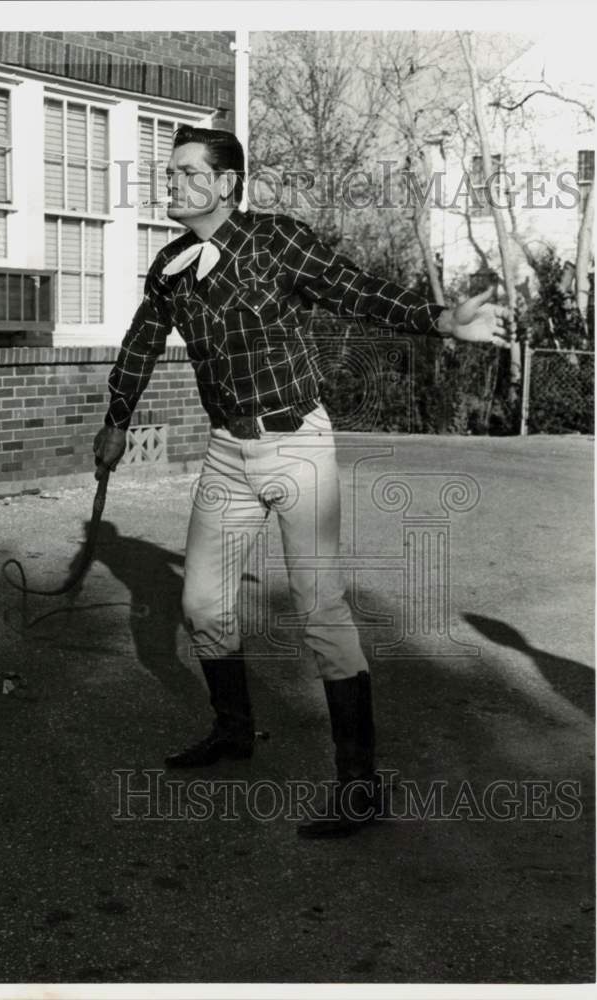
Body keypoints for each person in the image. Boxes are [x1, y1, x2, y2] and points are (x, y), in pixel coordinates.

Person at [93, 125, 510, 838]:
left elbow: (357, 292)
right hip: (227, 451)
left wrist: (440, 320)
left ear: (226, 184)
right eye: (168, 175)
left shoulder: (277, 240)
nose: (172, 185)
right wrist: (116, 417)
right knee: (200, 603)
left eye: (188, 174)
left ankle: (359, 786)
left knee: (321, 611)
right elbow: (138, 342)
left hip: (296, 445)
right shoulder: (168, 266)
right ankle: (232, 730)